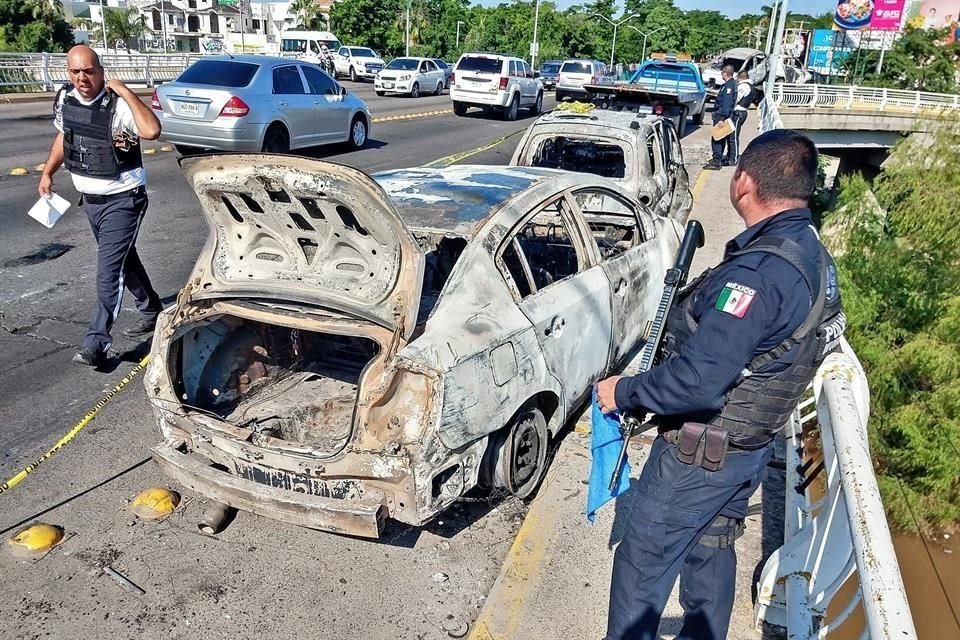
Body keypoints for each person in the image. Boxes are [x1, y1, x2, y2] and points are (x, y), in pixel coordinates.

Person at [596, 129, 846, 640]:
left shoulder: (757, 275)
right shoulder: (811, 253)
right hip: (746, 447)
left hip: (699, 456)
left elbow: (697, 382)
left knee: (642, 564)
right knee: (712, 548)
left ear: (743, 183)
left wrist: (622, 391)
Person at [38, 45, 163, 368]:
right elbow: (64, 137)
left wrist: (125, 90)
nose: (82, 78)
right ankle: (151, 308)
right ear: (68, 72)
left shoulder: (118, 105)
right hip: (91, 200)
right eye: (75, 71)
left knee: (108, 270)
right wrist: (48, 171)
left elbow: (151, 130)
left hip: (124, 199)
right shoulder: (65, 100)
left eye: (89, 71)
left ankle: (97, 342)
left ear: (101, 71)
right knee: (123, 259)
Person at [705, 65, 736, 171]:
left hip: (721, 116)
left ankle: (716, 161)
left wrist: (722, 118)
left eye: (722, 72)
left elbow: (727, 104)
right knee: (720, 138)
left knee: (717, 139)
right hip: (721, 115)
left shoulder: (729, 86)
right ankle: (717, 160)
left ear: (725, 73)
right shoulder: (728, 85)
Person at [726, 71, 754, 166]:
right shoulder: (750, 86)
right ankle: (730, 156)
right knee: (732, 136)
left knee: (733, 136)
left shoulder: (744, 86)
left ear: (740, 77)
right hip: (742, 112)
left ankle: (733, 159)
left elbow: (736, 99)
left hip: (738, 112)